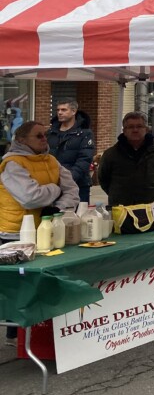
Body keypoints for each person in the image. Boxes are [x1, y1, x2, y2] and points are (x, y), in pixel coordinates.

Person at [0, 120, 79, 343]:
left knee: (40, 283)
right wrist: (55, 189)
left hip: (47, 228)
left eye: (45, 135)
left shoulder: (51, 160)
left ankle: (37, 331)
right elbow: (30, 197)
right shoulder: (12, 164)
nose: (45, 139)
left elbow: (72, 190)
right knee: (18, 287)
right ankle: (14, 333)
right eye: (39, 136)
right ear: (22, 140)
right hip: (15, 232)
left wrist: (59, 207)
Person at [97, 111, 154, 206]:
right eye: (130, 127)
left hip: (152, 207)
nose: (135, 130)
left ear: (146, 129)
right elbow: (103, 179)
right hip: (121, 209)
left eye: (139, 126)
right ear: (124, 131)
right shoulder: (111, 154)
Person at [46, 99, 95, 204]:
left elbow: (85, 159)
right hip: (53, 184)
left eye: (64, 110)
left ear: (74, 111)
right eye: (58, 110)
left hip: (78, 184)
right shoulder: (51, 133)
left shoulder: (84, 133)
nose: (59, 112)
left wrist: (68, 179)